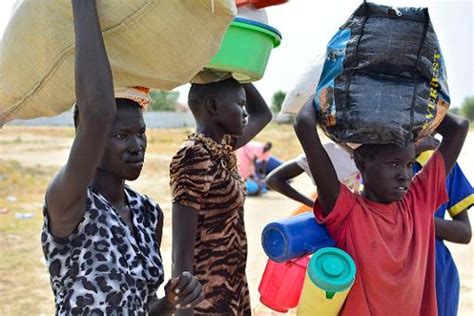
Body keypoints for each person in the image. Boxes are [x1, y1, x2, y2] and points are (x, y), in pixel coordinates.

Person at [41, 1, 203, 314]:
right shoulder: (70, 202)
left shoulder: (148, 213)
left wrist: (170, 301)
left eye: (140, 132)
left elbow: (140, 308)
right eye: (120, 135)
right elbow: (98, 113)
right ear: (88, 139)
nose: (136, 145)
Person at [294, 97, 469, 315]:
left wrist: (405, 96)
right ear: (361, 163)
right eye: (394, 164)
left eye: (409, 165)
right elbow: (304, 125)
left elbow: (459, 127)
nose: (405, 176)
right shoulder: (347, 210)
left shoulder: (418, 200)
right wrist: (323, 94)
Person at [170, 79, 272, 315]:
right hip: (207, 297)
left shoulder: (222, 148)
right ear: (213, 106)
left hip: (233, 288)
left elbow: (263, 113)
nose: (246, 112)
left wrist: (237, 71)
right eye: (239, 104)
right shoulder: (194, 155)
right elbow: (181, 251)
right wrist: (183, 308)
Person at [414, 136, 473, 316]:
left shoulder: (439, 160)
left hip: (437, 276)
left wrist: (415, 217)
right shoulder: (374, 158)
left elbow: (465, 233)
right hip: (389, 272)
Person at [266, 142, 360, 212]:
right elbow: (273, 180)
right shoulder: (325, 150)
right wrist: (313, 205)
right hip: (333, 219)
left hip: (357, 216)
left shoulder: (368, 149)